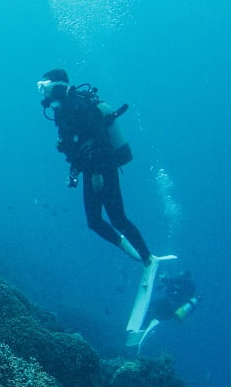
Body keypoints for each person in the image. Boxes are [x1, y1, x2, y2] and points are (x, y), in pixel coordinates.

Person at [38, 68, 154, 264]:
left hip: (103, 168)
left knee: (118, 219)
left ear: (57, 86)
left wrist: (98, 173)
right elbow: (76, 146)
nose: (43, 93)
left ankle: (147, 257)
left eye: (44, 87)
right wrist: (74, 171)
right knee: (94, 222)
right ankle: (131, 250)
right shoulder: (62, 110)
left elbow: (100, 139)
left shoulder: (77, 105)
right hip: (90, 170)